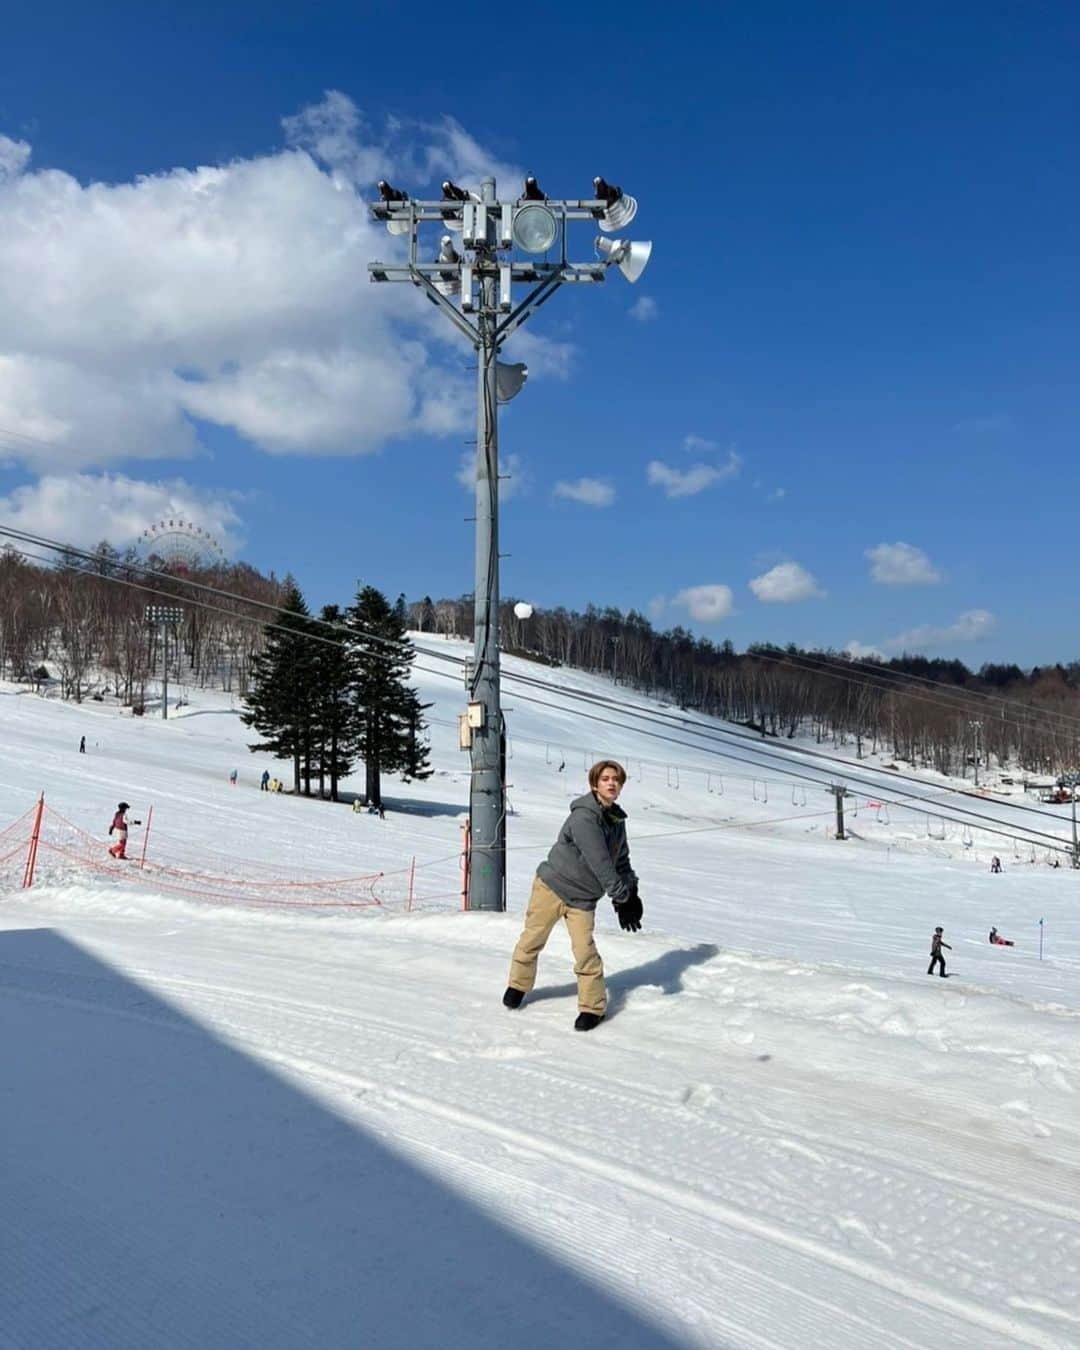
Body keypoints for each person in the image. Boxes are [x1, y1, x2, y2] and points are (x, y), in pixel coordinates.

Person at [503, 759, 642, 1032]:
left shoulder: (616, 821)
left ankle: (592, 1008)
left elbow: (620, 860)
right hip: (552, 887)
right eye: (605, 779)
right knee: (532, 939)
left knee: (585, 951)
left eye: (616, 779)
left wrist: (632, 891)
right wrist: (620, 897)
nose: (611, 783)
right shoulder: (583, 817)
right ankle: (518, 985)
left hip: (583, 899)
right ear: (594, 784)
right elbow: (600, 861)